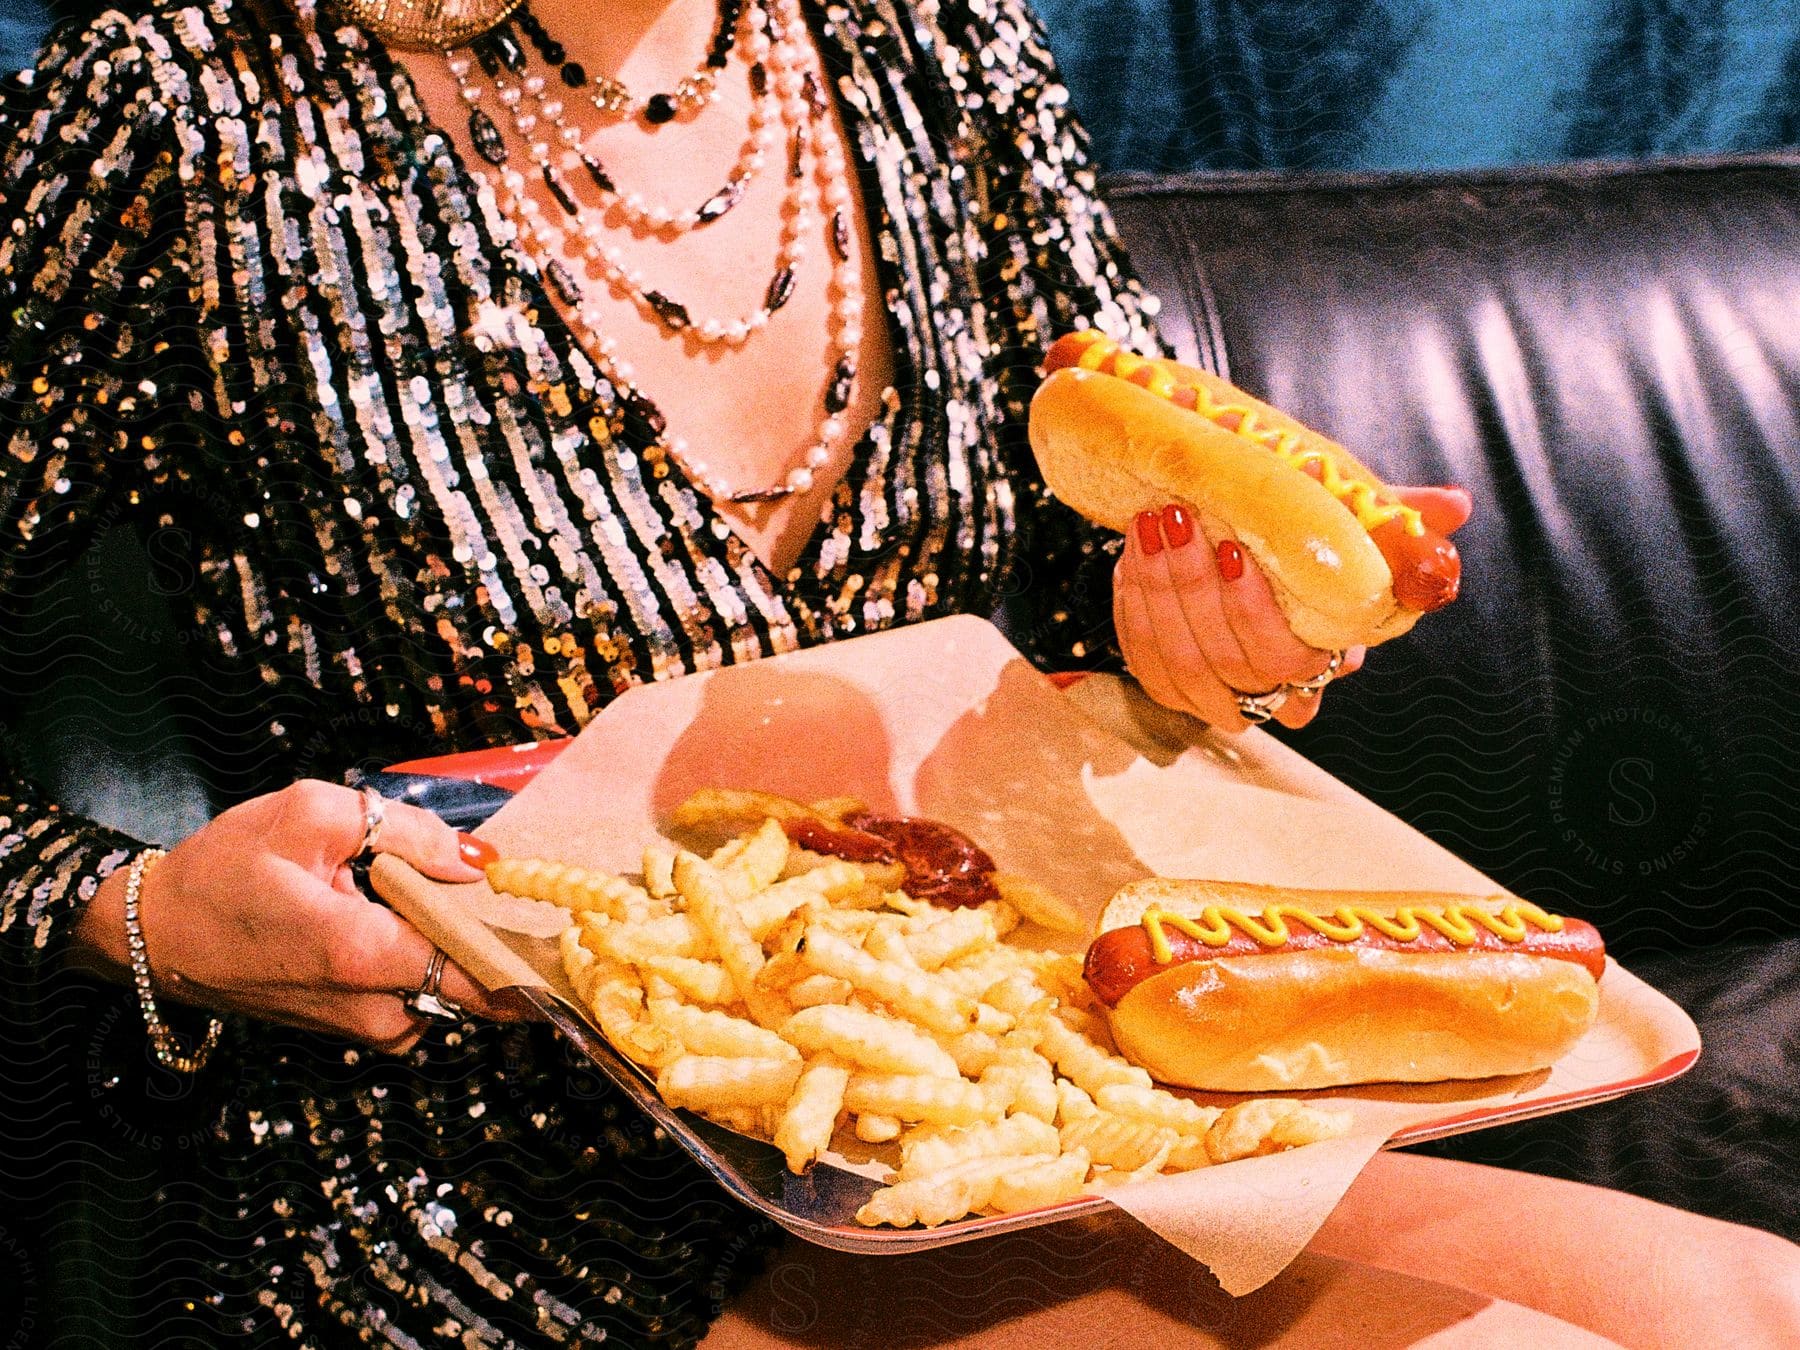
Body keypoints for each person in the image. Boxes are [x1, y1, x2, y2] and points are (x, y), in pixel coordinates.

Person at [0, 0, 1794, 1344]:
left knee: (1749, 1303)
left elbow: (1105, 586)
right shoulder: (178, 112)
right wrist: (129, 909)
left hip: (997, 1105)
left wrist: (1208, 632)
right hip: (485, 1172)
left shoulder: (931, 42)